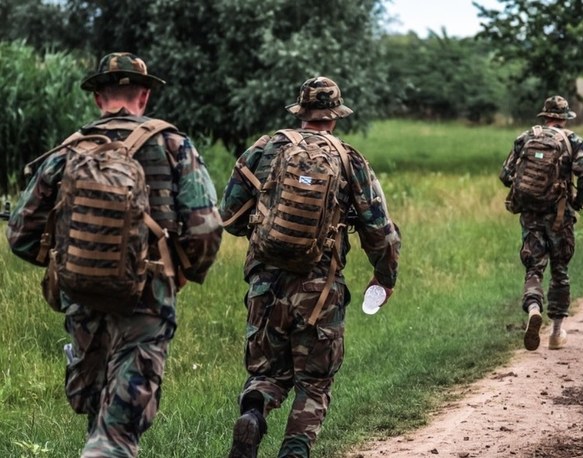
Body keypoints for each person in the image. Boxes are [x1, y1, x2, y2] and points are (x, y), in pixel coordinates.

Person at [5, 52, 223, 457]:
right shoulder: (173, 144)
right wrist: (180, 272)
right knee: (117, 433)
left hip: (82, 299)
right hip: (148, 300)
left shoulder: (69, 151)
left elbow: (19, 233)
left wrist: (66, 263)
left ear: (97, 98)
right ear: (144, 95)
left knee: (100, 416)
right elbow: (207, 230)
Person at [219, 76, 401, 458]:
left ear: (300, 112)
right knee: (314, 383)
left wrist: (267, 225)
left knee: (267, 373)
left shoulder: (264, 148)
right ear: (334, 117)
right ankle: (295, 451)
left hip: (265, 286)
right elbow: (379, 229)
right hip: (320, 288)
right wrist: (384, 278)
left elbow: (230, 218)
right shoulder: (349, 158)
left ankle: (253, 414)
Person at [500, 95, 583, 351]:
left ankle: (533, 308)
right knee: (560, 271)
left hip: (530, 214)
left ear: (545, 116)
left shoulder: (526, 137)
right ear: (564, 118)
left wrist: (527, 191)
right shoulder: (573, 140)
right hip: (559, 216)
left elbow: (505, 174)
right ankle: (555, 333)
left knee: (534, 268)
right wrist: (575, 201)